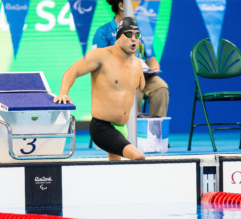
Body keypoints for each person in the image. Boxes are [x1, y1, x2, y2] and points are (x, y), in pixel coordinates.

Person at [54, 17, 146, 161]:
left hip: (122, 127)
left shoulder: (137, 64)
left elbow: (141, 86)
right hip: (102, 127)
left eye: (137, 35)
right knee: (138, 156)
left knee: (115, 169)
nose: (133, 39)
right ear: (118, 36)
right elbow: (72, 71)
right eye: (128, 34)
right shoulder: (100, 56)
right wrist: (63, 93)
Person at [92, 0, 169, 117]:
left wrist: (153, 65)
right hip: (117, 79)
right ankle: (131, 132)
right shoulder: (103, 32)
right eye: (134, 5)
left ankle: (155, 131)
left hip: (142, 76)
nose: (138, 9)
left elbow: (151, 57)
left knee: (161, 87)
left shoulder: (140, 31)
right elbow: (97, 61)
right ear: (121, 6)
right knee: (134, 90)